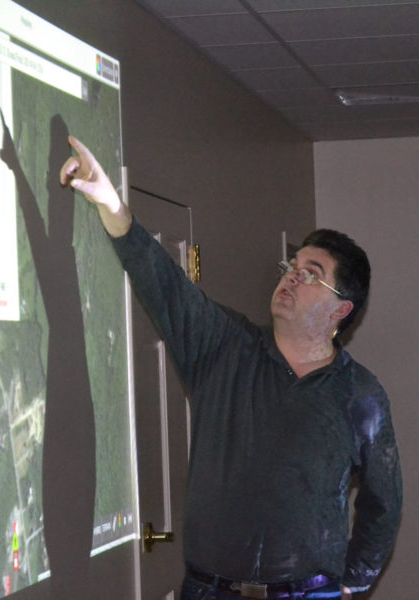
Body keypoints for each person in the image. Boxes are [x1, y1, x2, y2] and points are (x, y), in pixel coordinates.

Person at [60, 137, 402, 599]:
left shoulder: (360, 395)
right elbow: (164, 283)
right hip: (210, 590)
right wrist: (110, 202)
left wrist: (353, 583)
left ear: (341, 310)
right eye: (292, 264)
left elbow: (384, 505)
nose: (291, 276)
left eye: (311, 272)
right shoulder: (223, 346)